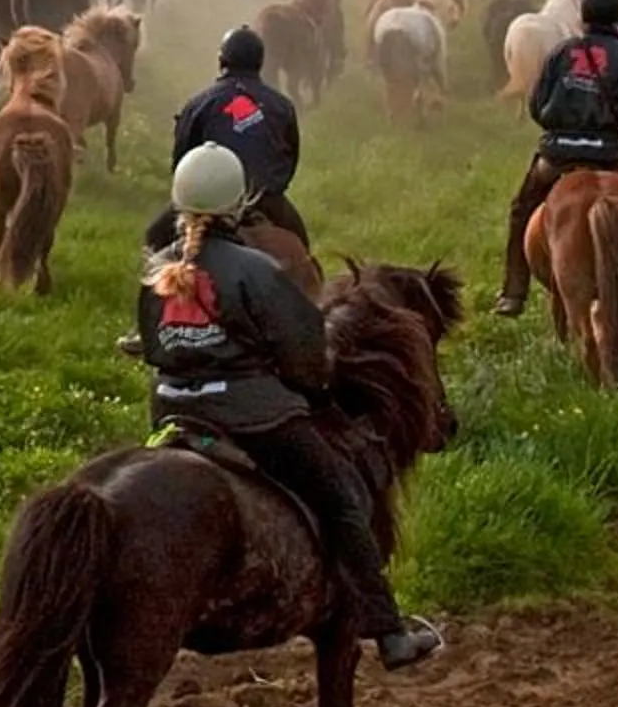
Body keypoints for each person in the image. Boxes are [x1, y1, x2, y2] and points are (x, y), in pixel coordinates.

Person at [138, 145, 440, 671]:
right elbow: (305, 356)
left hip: (171, 411)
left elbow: (153, 346)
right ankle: (388, 631)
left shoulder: (159, 269)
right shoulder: (256, 269)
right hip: (252, 417)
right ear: (239, 202)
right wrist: (311, 388)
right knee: (343, 499)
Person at [492, 0, 618, 318]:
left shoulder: (560, 52)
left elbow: (536, 104)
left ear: (584, 16)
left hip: (558, 155)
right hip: (609, 154)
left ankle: (514, 292)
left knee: (521, 210)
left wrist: (558, 127)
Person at [157, 23, 306, 249]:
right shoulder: (282, 105)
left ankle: (154, 282)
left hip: (206, 201)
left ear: (221, 61)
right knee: (302, 246)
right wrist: (272, 188)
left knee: (154, 237)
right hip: (265, 200)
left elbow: (181, 161)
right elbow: (291, 157)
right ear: (260, 62)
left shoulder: (199, 104)